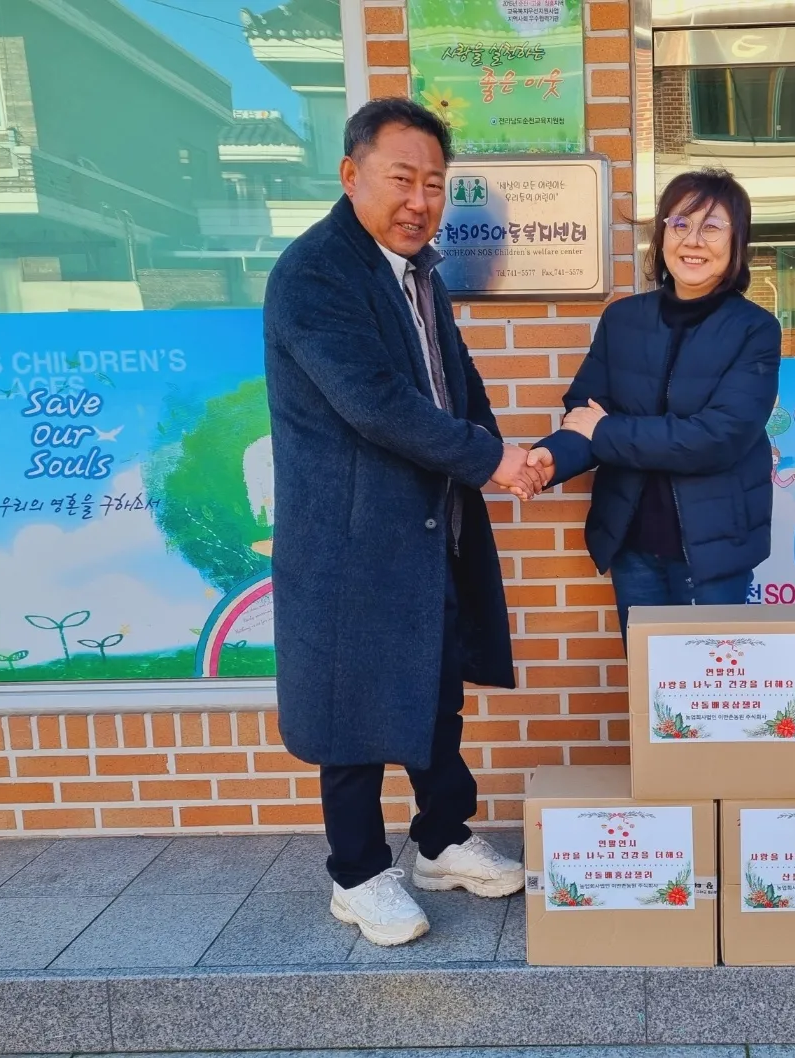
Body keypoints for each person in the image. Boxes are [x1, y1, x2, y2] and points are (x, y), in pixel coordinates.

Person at [264, 98, 543, 946]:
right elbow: (374, 404)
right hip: (351, 540)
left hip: (428, 527)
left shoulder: (419, 273)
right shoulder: (316, 273)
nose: (419, 200)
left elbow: (455, 382)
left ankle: (439, 838)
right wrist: (488, 460)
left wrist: (497, 448)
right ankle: (354, 873)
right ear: (351, 176)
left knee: (433, 692)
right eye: (401, 179)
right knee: (352, 711)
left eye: (434, 183)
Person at [527, 168, 780, 639]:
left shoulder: (755, 330)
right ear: (661, 234)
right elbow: (585, 412)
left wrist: (606, 431)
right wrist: (552, 458)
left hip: (713, 552)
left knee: (711, 694)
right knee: (651, 698)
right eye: (680, 224)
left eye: (712, 226)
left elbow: (717, 438)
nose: (694, 240)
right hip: (632, 543)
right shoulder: (623, 320)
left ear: (737, 240)